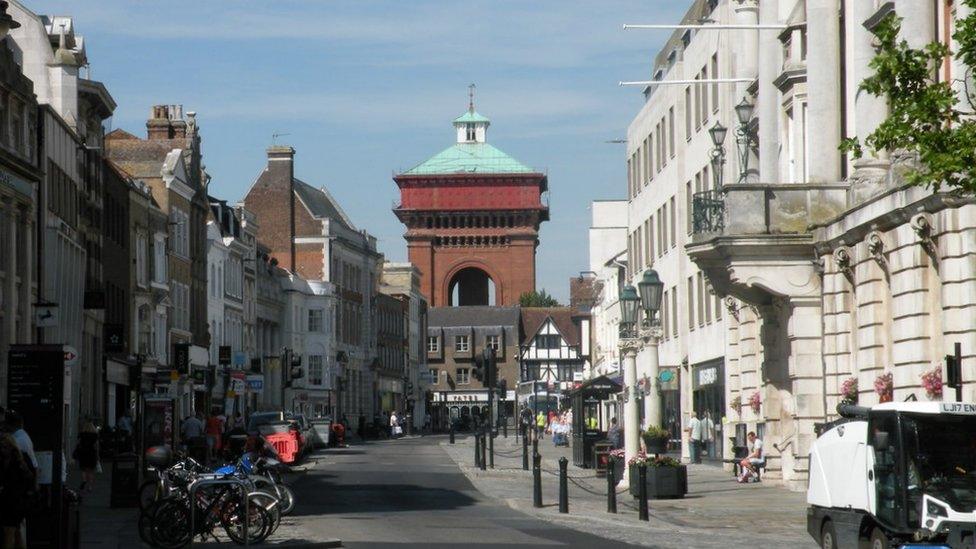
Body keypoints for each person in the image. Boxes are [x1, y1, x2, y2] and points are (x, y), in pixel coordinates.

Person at [0, 431, 33, 549]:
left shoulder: (20, 459)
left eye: (5, 447)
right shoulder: (14, 459)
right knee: (16, 532)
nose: (3, 450)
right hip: (9, 501)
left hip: (15, 502)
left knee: (9, 532)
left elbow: (29, 478)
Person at [74, 420, 100, 493]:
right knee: (91, 471)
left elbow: (78, 443)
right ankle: (90, 487)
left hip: (83, 454)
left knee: (84, 469)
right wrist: (98, 455)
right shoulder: (95, 435)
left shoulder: (81, 434)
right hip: (92, 454)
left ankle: (84, 480)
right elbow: (96, 446)